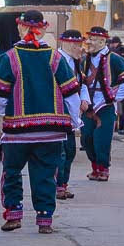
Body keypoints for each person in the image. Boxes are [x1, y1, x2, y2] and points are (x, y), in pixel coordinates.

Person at [0, 11, 81, 234]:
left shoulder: (9, 57)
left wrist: (10, 113)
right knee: (45, 175)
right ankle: (44, 219)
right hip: (51, 131)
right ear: (43, 29)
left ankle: (13, 214)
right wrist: (75, 121)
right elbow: (71, 94)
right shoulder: (55, 58)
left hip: (17, 132)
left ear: (20, 28)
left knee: (11, 172)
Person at [81, 26, 124, 181]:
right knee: (86, 138)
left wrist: (113, 97)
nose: (89, 42)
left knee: (102, 138)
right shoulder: (85, 59)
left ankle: (103, 169)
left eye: (93, 39)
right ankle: (94, 167)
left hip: (106, 105)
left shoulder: (115, 59)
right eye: (89, 39)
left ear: (102, 41)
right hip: (88, 103)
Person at [56, 29, 90, 200]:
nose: (81, 49)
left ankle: (63, 184)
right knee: (60, 152)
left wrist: (84, 99)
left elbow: (82, 83)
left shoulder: (76, 62)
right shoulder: (56, 60)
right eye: (78, 45)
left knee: (70, 151)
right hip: (58, 111)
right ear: (68, 44)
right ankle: (57, 186)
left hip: (71, 113)